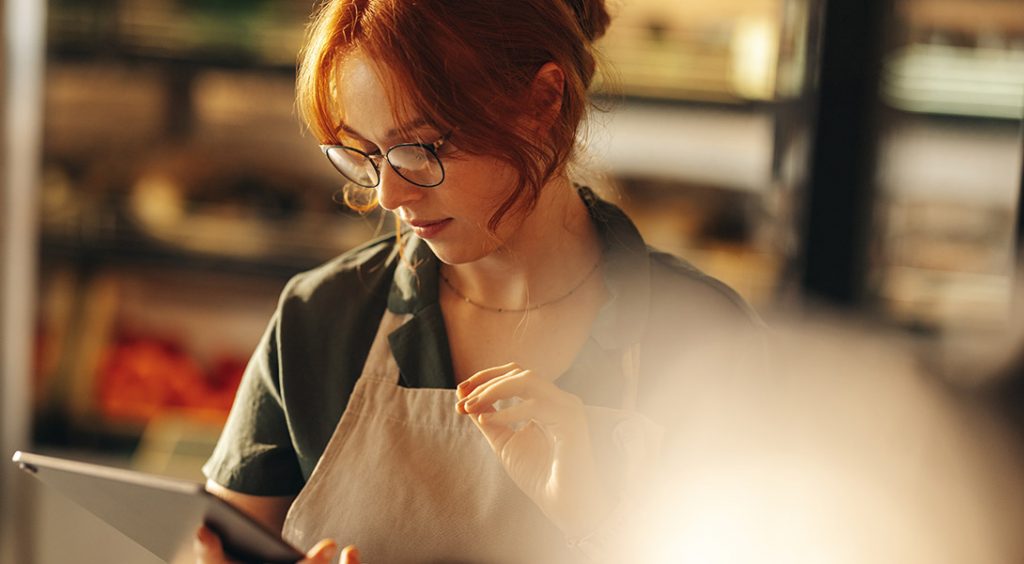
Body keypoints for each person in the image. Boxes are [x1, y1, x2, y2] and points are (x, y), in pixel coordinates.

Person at [195, 0, 763, 562]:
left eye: (421, 148)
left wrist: (598, 523)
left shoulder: (704, 340)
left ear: (543, 101)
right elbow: (211, 550)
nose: (389, 195)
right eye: (365, 153)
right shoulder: (321, 316)